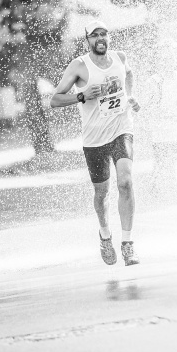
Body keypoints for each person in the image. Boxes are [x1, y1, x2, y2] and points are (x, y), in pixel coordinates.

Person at [50, 20, 142, 266]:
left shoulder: (120, 58)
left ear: (108, 37)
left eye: (103, 34)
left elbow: (129, 75)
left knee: (125, 182)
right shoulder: (79, 65)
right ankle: (104, 235)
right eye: (94, 35)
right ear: (87, 40)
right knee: (102, 193)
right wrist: (81, 95)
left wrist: (130, 97)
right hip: (94, 140)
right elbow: (55, 100)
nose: (100, 38)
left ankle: (128, 244)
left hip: (122, 129)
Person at [143, 39, 177, 220]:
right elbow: (146, 109)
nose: (167, 60)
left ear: (175, 57)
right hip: (162, 138)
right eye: (163, 57)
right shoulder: (153, 82)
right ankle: (158, 202)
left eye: (171, 56)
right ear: (157, 60)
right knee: (166, 178)